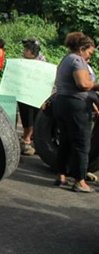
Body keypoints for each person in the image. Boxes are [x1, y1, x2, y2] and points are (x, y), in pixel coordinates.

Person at [53, 32, 97, 193]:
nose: (89, 56)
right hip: (75, 105)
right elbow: (83, 84)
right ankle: (80, 180)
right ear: (81, 48)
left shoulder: (66, 58)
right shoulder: (77, 60)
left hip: (62, 102)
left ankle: (61, 174)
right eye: (89, 52)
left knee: (65, 140)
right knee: (81, 143)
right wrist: (97, 85)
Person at [17, 38, 43, 156]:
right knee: (26, 116)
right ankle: (27, 138)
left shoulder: (41, 63)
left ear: (31, 51)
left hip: (35, 94)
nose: (24, 51)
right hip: (24, 93)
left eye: (26, 49)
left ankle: (28, 140)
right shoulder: (23, 61)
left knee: (32, 116)